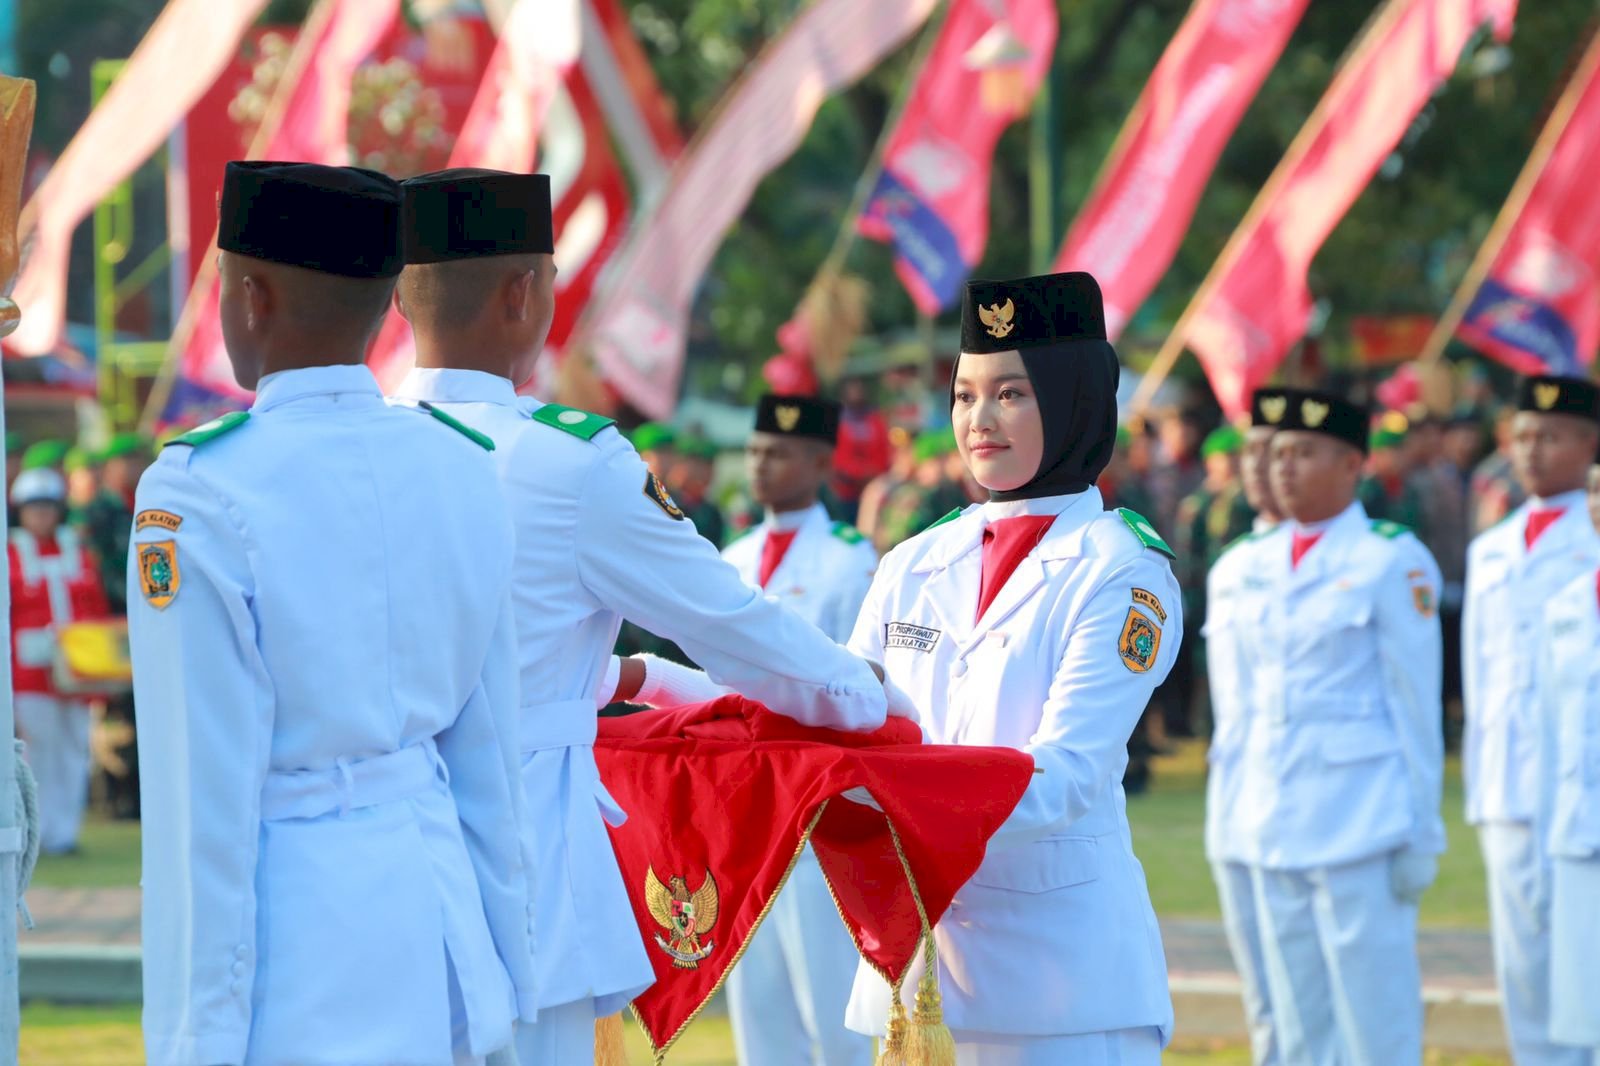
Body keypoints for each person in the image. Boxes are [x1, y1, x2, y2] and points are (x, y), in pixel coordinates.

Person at [387, 168, 890, 1066]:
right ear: (525, 294)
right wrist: (871, 698)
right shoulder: (570, 464)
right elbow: (733, 625)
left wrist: (621, 676)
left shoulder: (353, 449)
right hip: (521, 857)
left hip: (375, 856)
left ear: (400, 297)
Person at [129, 162, 537, 1066]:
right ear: (388, 299)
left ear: (249, 296)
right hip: (439, 919)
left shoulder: (198, 490)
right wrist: (505, 973)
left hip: (298, 944)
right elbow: (489, 761)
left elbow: (201, 807)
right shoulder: (461, 464)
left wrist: (193, 1045)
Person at [845, 272, 1181, 1063]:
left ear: (1073, 402)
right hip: (916, 965)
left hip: (1059, 983)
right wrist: (651, 686)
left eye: (1011, 394)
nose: (979, 420)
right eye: (964, 395)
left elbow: (1066, 774)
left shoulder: (1121, 568)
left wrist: (892, 792)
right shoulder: (915, 560)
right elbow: (843, 707)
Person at [1233, 387, 1444, 1064]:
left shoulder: (1390, 559)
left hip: (1363, 822)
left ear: (1353, 463)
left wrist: (1422, 831)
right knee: (1299, 1026)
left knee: (1376, 1024)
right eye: (1279, 453)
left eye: (1305, 453)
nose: (1284, 467)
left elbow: (1415, 705)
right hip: (1273, 819)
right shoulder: (1254, 561)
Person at [721, 393, 878, 1066]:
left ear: (820, 463)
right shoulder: (729, 557)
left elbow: (862, 685)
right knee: (758, 1010)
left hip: (818, 804)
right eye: (756, 451)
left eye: (779, 453)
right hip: (743, 807)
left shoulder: (850, 558)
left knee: (834, 1008)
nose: (761, 465)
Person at [1463, 374, 1600, 1066]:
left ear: (1589, 444)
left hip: (1581, 785)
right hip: (1509, 783)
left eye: (1550, 437)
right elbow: (1477, 678)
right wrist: (1478, 783)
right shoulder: (1491, 547)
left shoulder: (1595, 534)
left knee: (1587, 966)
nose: (1532, 451)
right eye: (1521, 437)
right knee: (1522, 969)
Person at [1202, 390, 1285, 1066]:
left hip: (1324, 807)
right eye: (1251, 453)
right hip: (1237, 800)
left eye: (1275, 452)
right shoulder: (1234, 565)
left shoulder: (1373, 561)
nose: (1258, 467)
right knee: (1264, 1001)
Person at [1534, 457, 1600, 1059]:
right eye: (1597, 491)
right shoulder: (1567, 606)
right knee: (1584, 1022)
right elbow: (1553, 735)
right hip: (1580, 832)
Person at [9, 467, 109, 854]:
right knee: (37, 755)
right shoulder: (10, 553)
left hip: (77, 674)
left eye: (48, 506)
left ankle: (65, 834)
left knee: (74, 752)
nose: (41, 515)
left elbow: (96, 608)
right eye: (34, 507)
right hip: (29, 675)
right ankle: (36, 834)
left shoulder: (77, 550)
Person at [83, 431, 148, 615]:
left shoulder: (147, 501)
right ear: (109, 467)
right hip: (117, 601)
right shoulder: (99, 509)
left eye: (138, 460)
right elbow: (99, 561)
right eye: (127, 461)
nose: (135, 467)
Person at [831, 375, 892, 523]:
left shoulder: (875, 418)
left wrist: (873, 473)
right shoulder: (837, 421)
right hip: (847, 491)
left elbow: (884, 449)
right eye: (852, 389)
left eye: (859, 389)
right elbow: (838, 456)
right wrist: (858, 474)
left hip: (875, 487)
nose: (856, 393)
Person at [671, 434, 727, 547]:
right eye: (699, 464)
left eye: (709, 465)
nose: (706, 472)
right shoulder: (665, 502)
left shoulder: (712, 512)